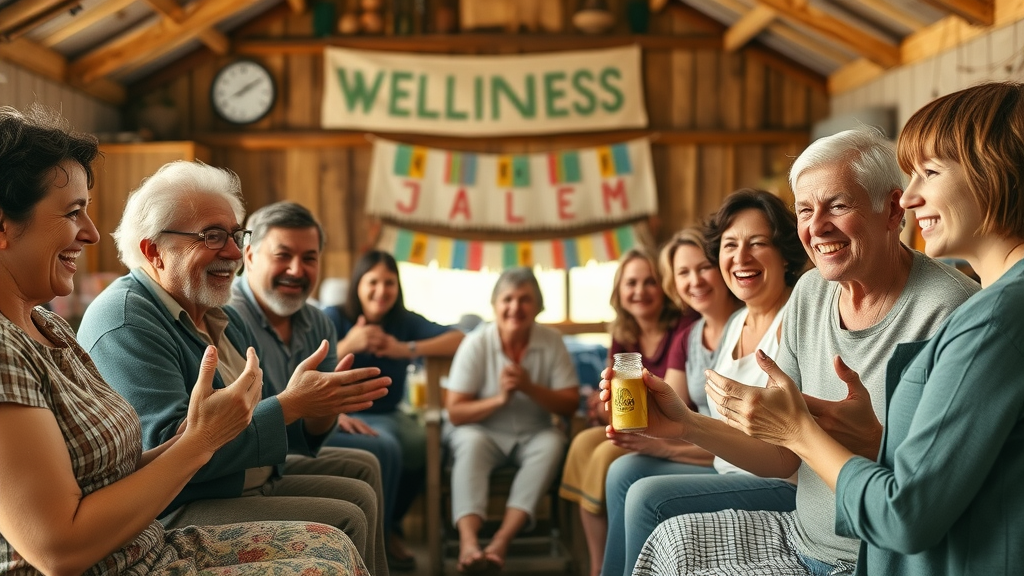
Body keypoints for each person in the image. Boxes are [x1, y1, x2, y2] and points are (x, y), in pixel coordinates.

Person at [0, 105, 368, 575]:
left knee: (338, 533)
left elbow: (125, 465)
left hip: (145, 542)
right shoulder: (113, 321)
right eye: (74, 212)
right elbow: (57, 550)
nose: (92, 233)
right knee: (333, 549)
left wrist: (304, 408)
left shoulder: (47, 327)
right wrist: (208, 436)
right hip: (138, 544)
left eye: (235, 235)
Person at [628, 126, 979, 576]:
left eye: (838, 205)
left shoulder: (951, 311)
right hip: (799, 534)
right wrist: (683, 424)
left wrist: (869, 442)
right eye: (805, 210)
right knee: (670, 544)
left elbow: (930, 495)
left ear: (893, 210)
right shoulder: (811, 291)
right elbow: (782, 455)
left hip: (870, 560)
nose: (816, 227)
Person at [707, 83, 1024, 576]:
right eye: (805, 211)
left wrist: (802, 431)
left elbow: (906, 513)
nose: (913, 196)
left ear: (996, 176)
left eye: (930, 173)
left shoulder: (985, 319)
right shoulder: (995, 308)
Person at [77, 161, 392, 576]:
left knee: (360, 487)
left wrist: (321, 406)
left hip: (242, 477)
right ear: (153, 250)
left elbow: (268, 417)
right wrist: (292, 405)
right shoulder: (126, 321)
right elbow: (168, 455)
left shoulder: (218, 310)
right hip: (176, 508)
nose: (231, 251)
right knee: (345, 515)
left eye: (233, 234)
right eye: (212, 236)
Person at [601, 188, 810, 576]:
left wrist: (675, 441)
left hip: (783, 480)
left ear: (784, 252)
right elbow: (711, 424)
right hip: (727, 467)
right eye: (730, 245)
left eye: (757, 243)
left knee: (646, 496)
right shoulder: (734, 324)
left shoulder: (796, 319)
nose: (741, 257)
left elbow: (789, 447)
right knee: (622, 472)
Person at [228, 200, 413, 573]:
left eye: (309, 258)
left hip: (280, 456)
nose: (297, 270)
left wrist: (329, 404)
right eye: (284, 255)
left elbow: (308, 434)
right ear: (249, 255)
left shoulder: (317, 321)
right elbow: (235, 431)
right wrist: (302, 403)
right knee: (359, 490)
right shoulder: (224, 316)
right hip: (239, 465)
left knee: (368, 464)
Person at [600, 227, 741, 575]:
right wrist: (632, 412)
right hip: (709, 449)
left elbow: (721, 433)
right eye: (682, 272)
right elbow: (672, 412)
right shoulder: (689, 336)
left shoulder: (744, 326)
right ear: (673, 282)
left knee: (641, 491)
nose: (694, 280)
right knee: (621, 469)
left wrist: (662, 447)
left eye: (702, 267)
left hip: (736, 457)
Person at [559, 247, 696, 576]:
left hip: (672, 427)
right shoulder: (623, 333)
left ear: (664, 286)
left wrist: (611, 409)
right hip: (634, 420)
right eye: (631, 282)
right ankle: (593, 562)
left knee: (607, 454)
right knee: (582, 443)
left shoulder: (682, 328)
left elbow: (666, 404)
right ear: (619, 290)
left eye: (650, 282)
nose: (640, 291)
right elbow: (612, 397)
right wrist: (604, 404)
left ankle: (609, 565)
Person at [323, 249, 465, 566]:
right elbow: (308, 365)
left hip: (389, 412)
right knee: (388, 446)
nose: (382, 290)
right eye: (373, 282)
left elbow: (459, 338)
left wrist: (405, 348)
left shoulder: (402, 321)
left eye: (390, 283)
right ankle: (378, 537)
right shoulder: (334, 316)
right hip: (344, 413)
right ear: (358, 285)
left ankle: (392, 525)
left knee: (427, 444)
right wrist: (351, 343)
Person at [443, 267, 580, 573]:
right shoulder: (476, 344)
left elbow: (570, 403)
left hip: (534, 433)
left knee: (553, 442)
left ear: (538, 307)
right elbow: (455, 411)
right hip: (482, 431)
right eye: (507, 299)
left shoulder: (551, 341)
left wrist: (529, 387)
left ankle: (500, 542)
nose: (515, 307)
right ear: (494, 305)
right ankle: (468, 543)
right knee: (470, 442)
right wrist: (499, 399)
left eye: (525, 300)